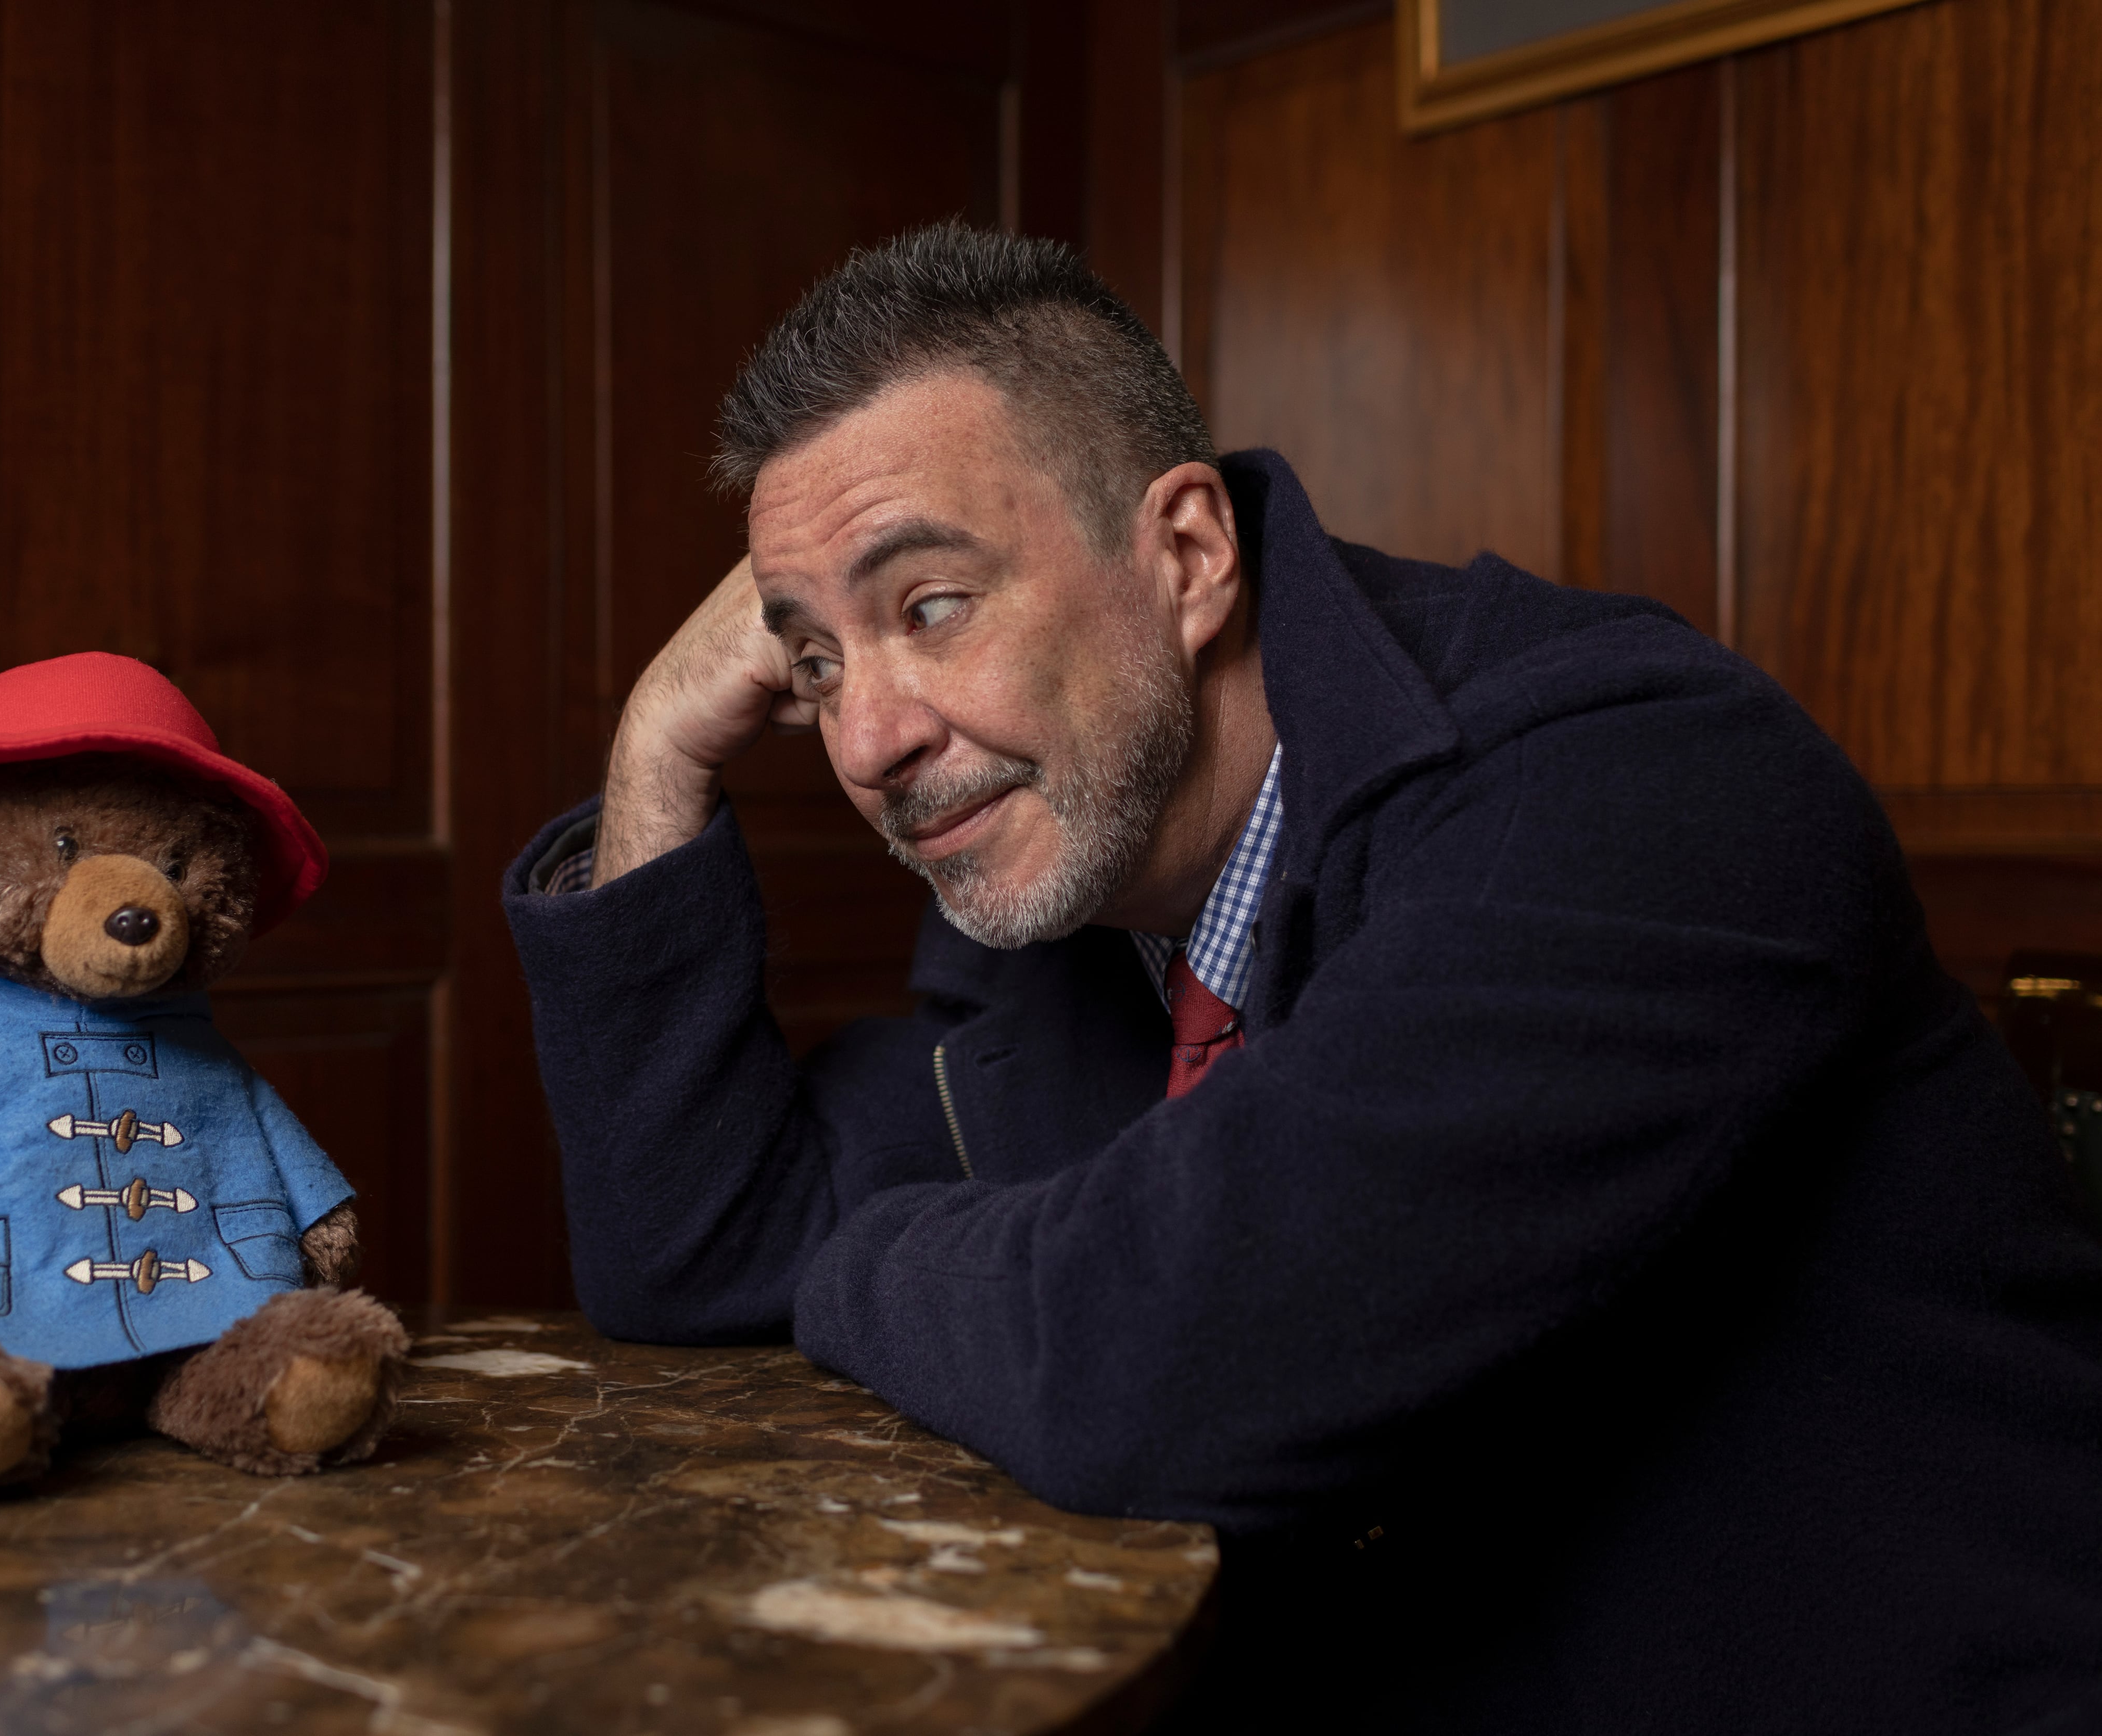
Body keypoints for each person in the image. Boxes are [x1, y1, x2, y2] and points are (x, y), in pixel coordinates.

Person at [500, 223, 2102, 1732]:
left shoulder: (1635, 775)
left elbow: (1169, 1359)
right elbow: (695, 1261)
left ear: (1189, 554)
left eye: (931, 607)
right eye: (818, 661)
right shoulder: (1070, 890)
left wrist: (861, 1255)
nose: (868, 741)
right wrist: (657, 750)